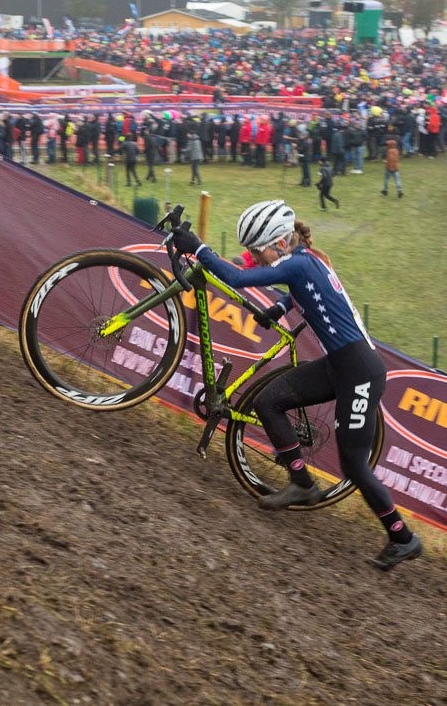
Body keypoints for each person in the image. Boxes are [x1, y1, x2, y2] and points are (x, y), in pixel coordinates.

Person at [171, 201, 421, 570]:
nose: (257, 257)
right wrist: (283, 305)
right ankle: (301, 483)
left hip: (360, 373)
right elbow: (309, 290)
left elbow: (238, 279)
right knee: (268, 401)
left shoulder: (300, 261)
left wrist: (198, 247)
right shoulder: (307, 259)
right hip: (341, 364)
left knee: (353, 464)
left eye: (260, 251)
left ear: (282, 243)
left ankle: (403, 537)